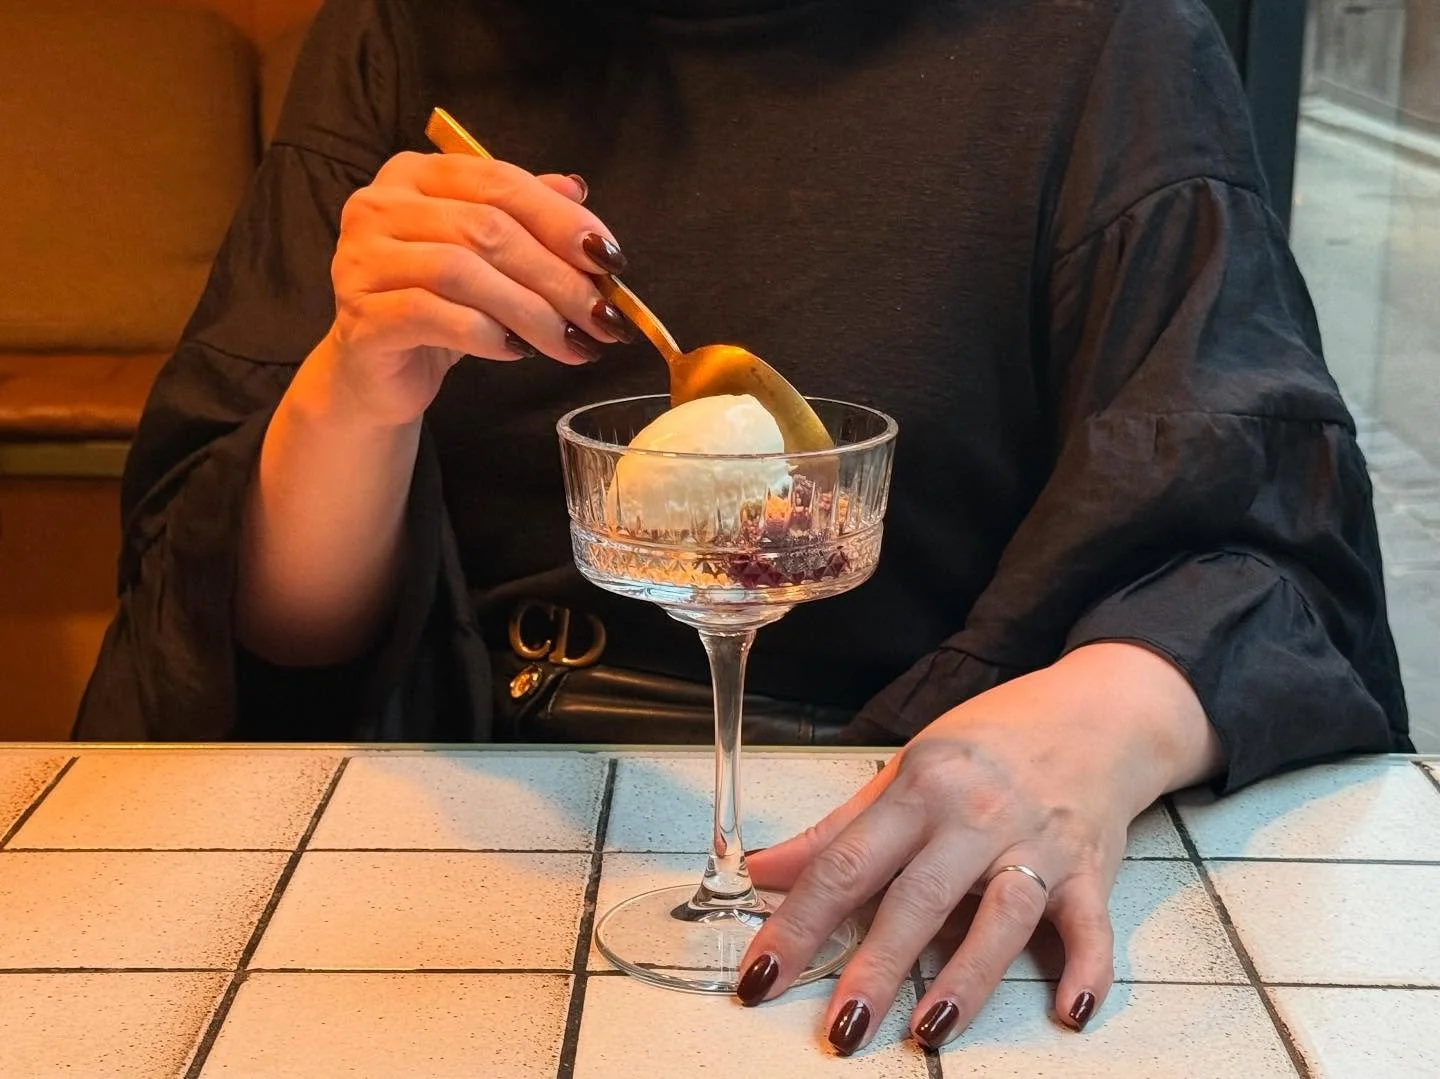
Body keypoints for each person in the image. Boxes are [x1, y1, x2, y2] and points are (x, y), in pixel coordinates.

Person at [77, 0, 1409, 1054]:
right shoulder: (408, 33)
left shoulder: (1102, 43)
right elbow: (259, 642)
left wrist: (1103, 721)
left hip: (936, 826)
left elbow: (1265, 542)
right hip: (477, 808)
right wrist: (360, 387)